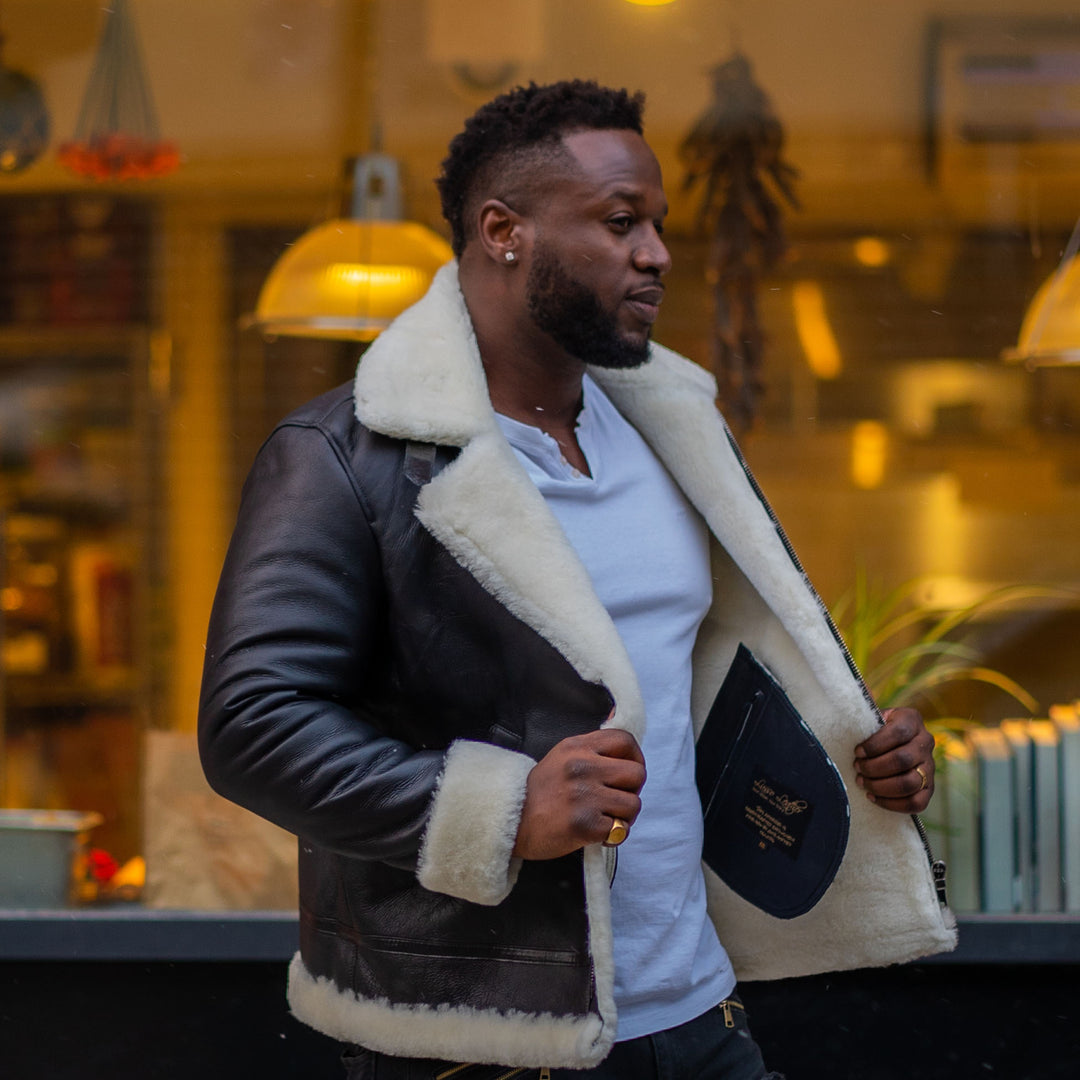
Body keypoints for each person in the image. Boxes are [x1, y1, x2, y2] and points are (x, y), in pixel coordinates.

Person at [199, 80, 955, 1079]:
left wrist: (854, 753)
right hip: (482, 1041)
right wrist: (499, 810)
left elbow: (694, 681)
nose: (657, 254)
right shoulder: (347, 454)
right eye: (619, 221)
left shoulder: (669, 426)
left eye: (658, 224)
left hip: (700, 1018)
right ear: (502, 230)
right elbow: (253, 723)